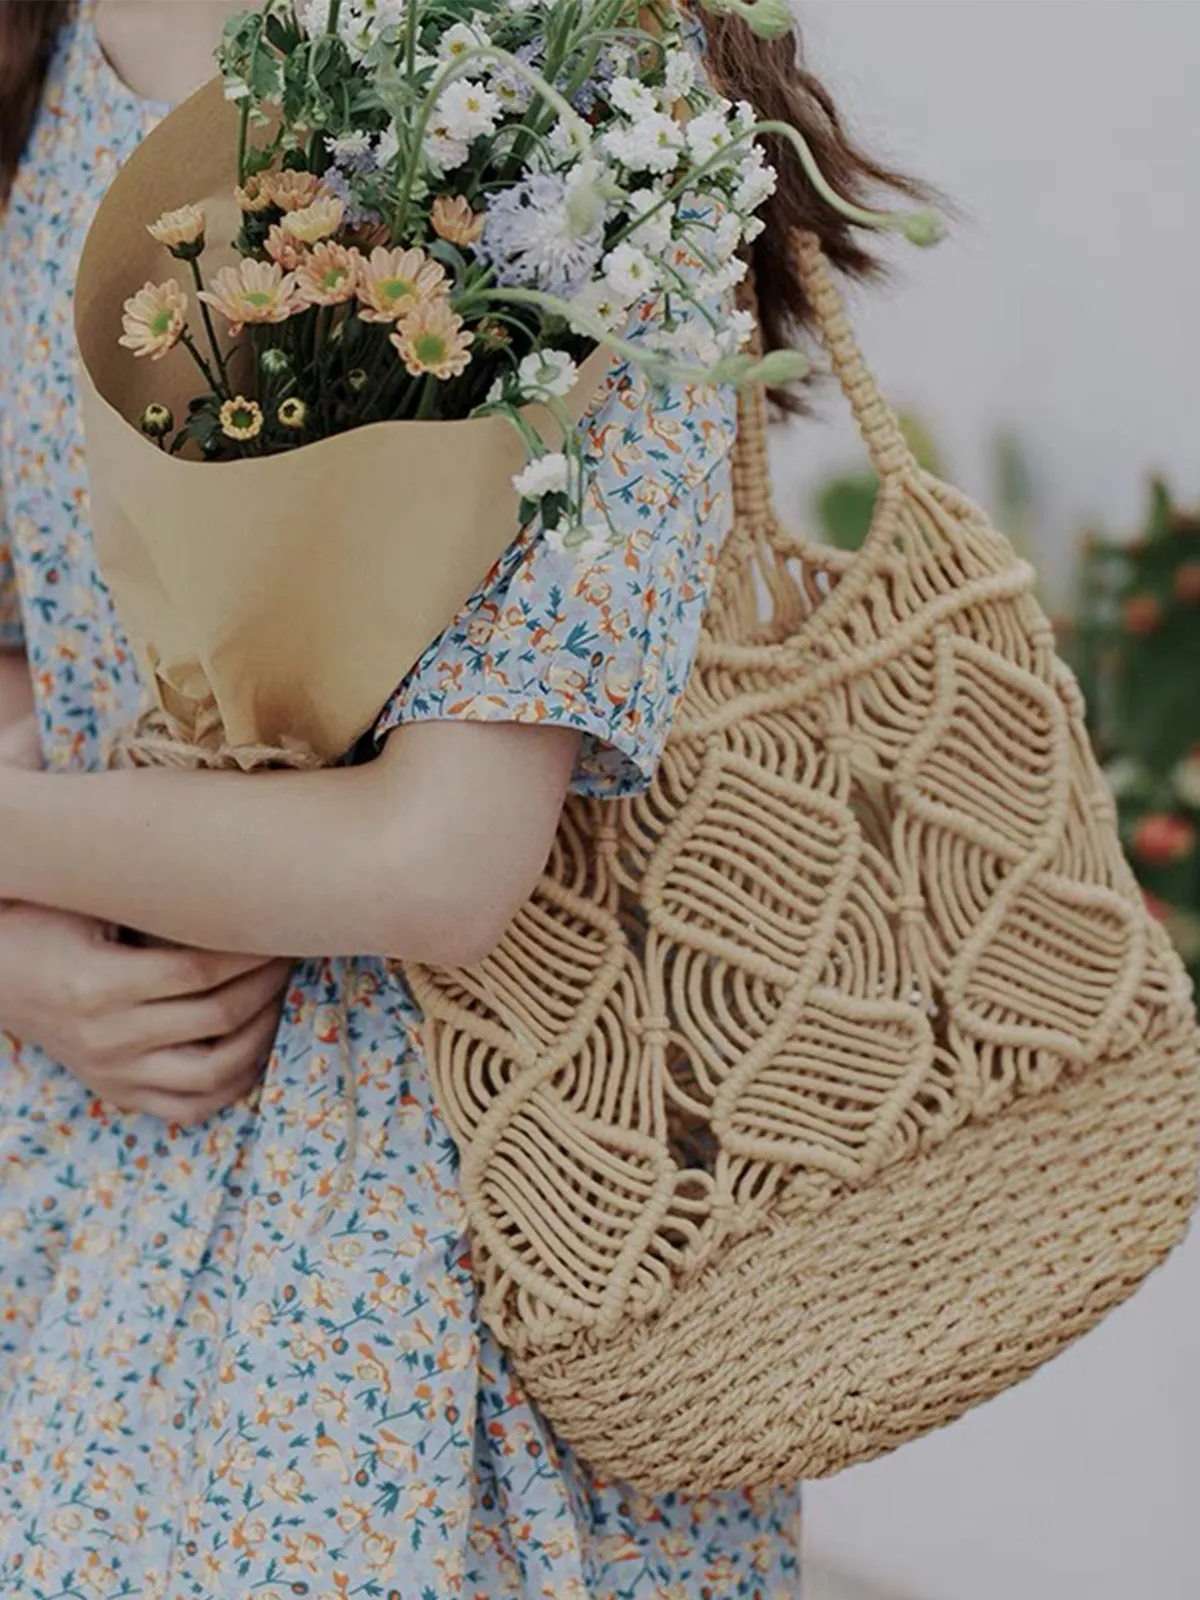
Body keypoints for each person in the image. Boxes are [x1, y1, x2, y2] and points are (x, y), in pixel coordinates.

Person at [0, 2, 917, 1593]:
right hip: (78, 1163)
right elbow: (27, 644)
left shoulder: (577, 91)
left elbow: (438, 859)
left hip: (438, 1249)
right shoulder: (47, 51)